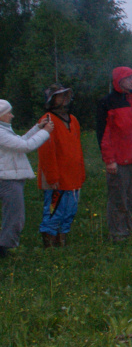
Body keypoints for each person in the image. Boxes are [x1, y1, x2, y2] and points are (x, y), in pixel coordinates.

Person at [96, 66, 132, 241]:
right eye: (129, 78)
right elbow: (103, 134)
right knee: (118, 199)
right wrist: (109, 160)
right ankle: (118, 234)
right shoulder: (108, 102)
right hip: (120, 161)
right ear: (118, 80)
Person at [0, 100, 51, 258]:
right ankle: (7, 249)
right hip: (8, 179)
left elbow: (20, 141)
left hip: (9, 177)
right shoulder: (1, 132)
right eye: (9, 112)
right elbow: (26, 146)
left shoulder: (4, 131)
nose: (12, 115)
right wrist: (46, 132)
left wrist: (38, 128)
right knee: (15, 216)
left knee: (13, 215)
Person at [36, 84, 84, 247]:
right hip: (56, 177)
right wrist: (51, 176)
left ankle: (62, 241)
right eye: (60, 96)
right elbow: (46, 152)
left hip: (73, 176)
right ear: (52, 99)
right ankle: (49, 245)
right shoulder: (47, 121)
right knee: (53, 211)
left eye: (66, 95)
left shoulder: (74, 120)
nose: (64, 99)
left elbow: (77, 148)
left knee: (70, 211)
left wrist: (81, 173)